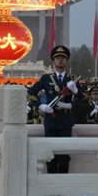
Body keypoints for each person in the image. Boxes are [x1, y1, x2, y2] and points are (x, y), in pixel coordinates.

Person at [28, 45, 81, 173]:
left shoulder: (72, 80)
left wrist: (76, 91)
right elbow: (30, 93)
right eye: (57, 58)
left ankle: (62, 188)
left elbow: (83, 101)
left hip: (65, 121)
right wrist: (41, 106)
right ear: (53, 61)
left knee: (64, 156)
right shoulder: (46, 79)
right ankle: (50, 189)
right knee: (50, 154)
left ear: (67, 61)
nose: (60, 61)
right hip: (51, 121)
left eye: (63, 58)